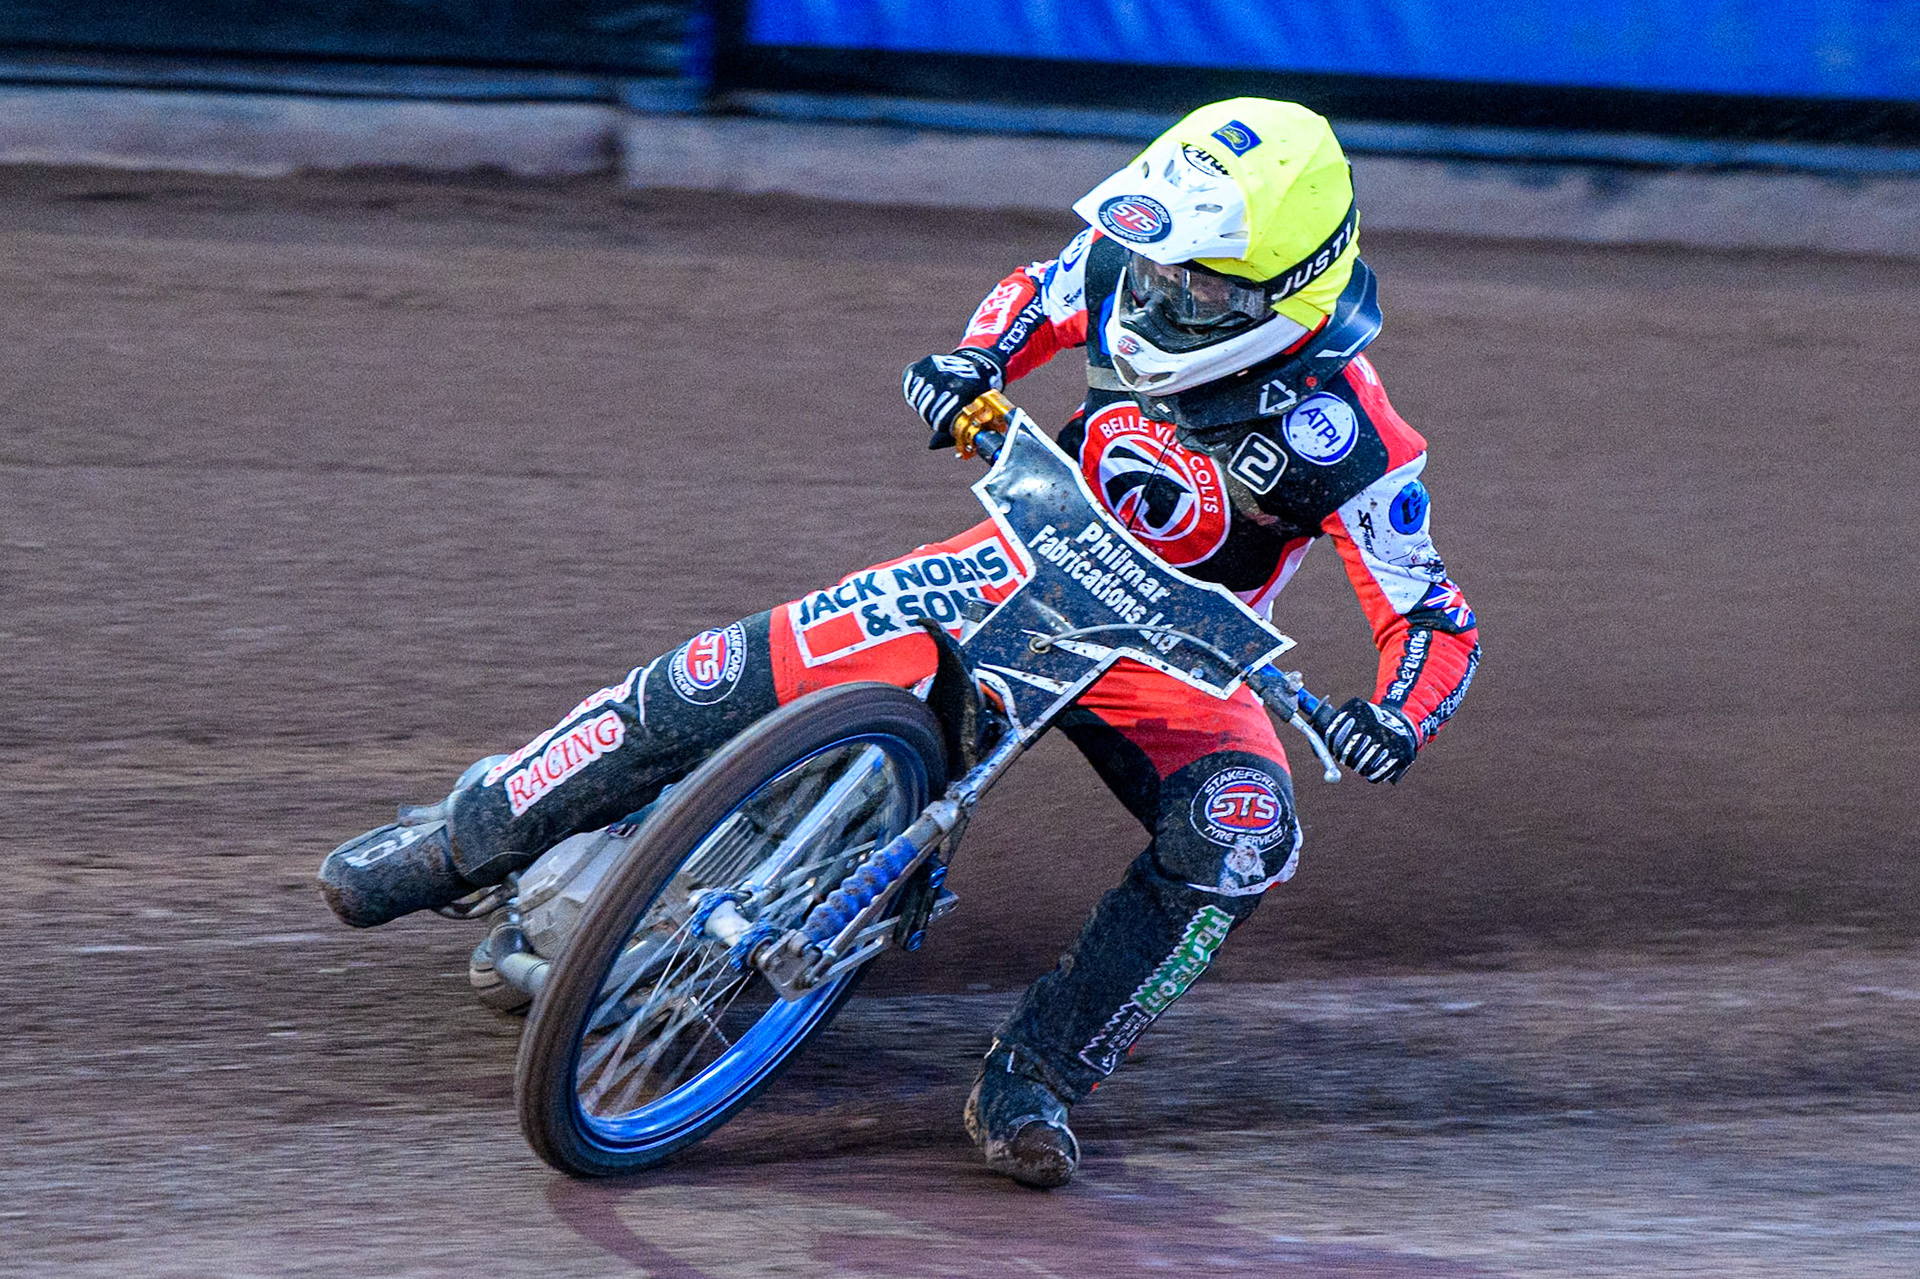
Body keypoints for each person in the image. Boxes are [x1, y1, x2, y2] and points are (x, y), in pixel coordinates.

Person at [318, 98, 1480, 1189]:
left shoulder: (1359, 439)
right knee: (723, 670)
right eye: (1164, 263)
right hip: (1014, 567)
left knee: (1244, 836)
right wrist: (975, 360)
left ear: (1299, 289)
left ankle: (1038, 1072)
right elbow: (1040, 289)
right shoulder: (1133, 265)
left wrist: (1397, 714)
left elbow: (1432, 615)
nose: (1169, 296)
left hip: (1172, 662)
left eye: (1206, 288)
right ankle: (460, 840)